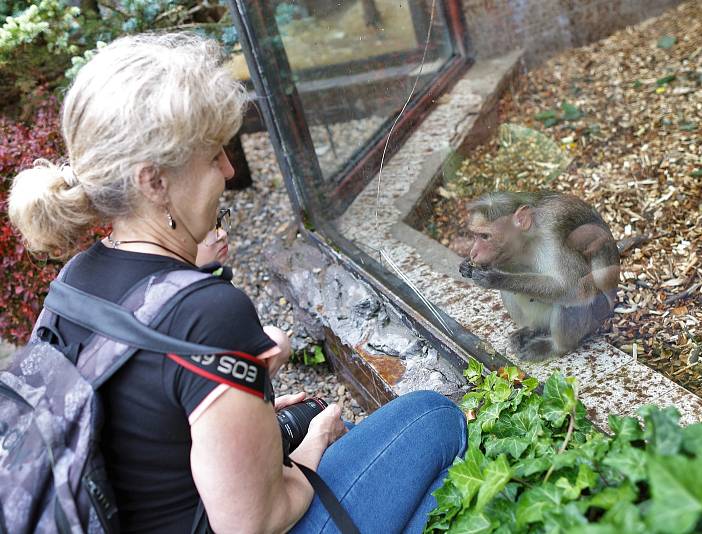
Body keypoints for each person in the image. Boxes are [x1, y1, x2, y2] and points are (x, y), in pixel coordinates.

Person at [8, 33, 466, 533]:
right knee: (432, 418)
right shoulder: (205, 313)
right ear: (153, 182)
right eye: (213, 157)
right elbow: (252, 523)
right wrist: (310, 445)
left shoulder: (74, 282)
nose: (229, 170)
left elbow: (141, 439)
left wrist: (253, 431)